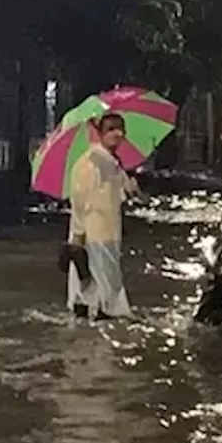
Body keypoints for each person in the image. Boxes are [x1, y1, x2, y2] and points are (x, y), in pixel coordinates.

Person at [66, 113, 137, 319]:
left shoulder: (113, 163)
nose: (118, 134)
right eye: (111, 129)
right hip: (93, 235)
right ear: (100, 133)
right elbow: (80, 200)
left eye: (121, 129)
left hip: (109, 231)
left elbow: (114, 195)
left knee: (100, 287)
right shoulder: (90, 163)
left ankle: (95, 325)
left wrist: (130, 188)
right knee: (103, 288)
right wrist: (78, 236)